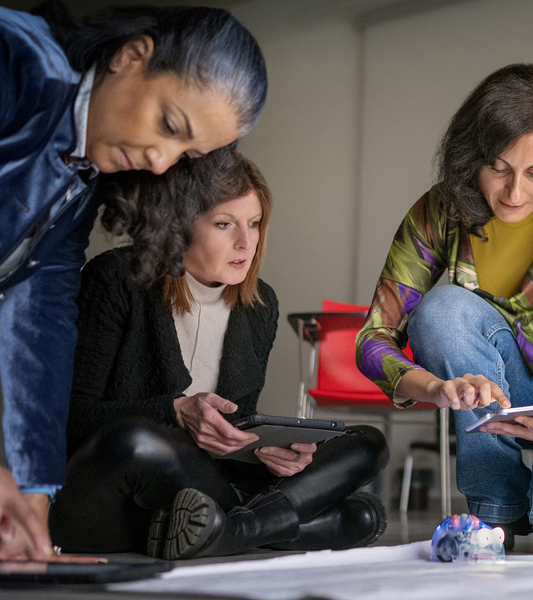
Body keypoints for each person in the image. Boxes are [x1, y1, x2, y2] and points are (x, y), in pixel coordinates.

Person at [0, 0, 266, 563]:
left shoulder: (81, 174)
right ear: (132, 55)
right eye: (169, 125)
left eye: (186, 153)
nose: (160, 162)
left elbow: (40, 314)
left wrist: (35, 497)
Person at [356, 63, 533, 554]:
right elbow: (373, 338)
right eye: (498, 168)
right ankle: (496, 505)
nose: (515, 193)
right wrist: (435, 387)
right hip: (504, 382)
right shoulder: (440, 210)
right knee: (443, 310)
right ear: (471, 156)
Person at [49, 148, 389, 560]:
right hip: (117, 491)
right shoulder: (117, 278)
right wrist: (175, 412)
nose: (245, 243)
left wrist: (262, 453)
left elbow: (233, 426)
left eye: (254, 223)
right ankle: (258, 527)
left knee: (366, 442)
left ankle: (231, 529)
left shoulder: (260, 305)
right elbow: (70, 417)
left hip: (206, 487)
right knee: (138, 441)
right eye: (224, 224)